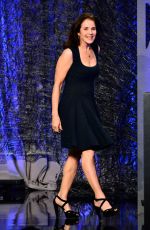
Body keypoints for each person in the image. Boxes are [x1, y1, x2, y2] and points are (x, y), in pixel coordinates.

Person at [51, 13, 118, 218]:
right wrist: (55, 114)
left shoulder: (96, 50)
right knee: (88, 153)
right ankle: (100, 197)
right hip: (71, 109)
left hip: (88, 107)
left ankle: (61, 198)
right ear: (78, 32)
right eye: (86, 29)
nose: (90, 32)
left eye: (93, 29)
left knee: (74, 155)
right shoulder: (69, 54)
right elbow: (57, 85)